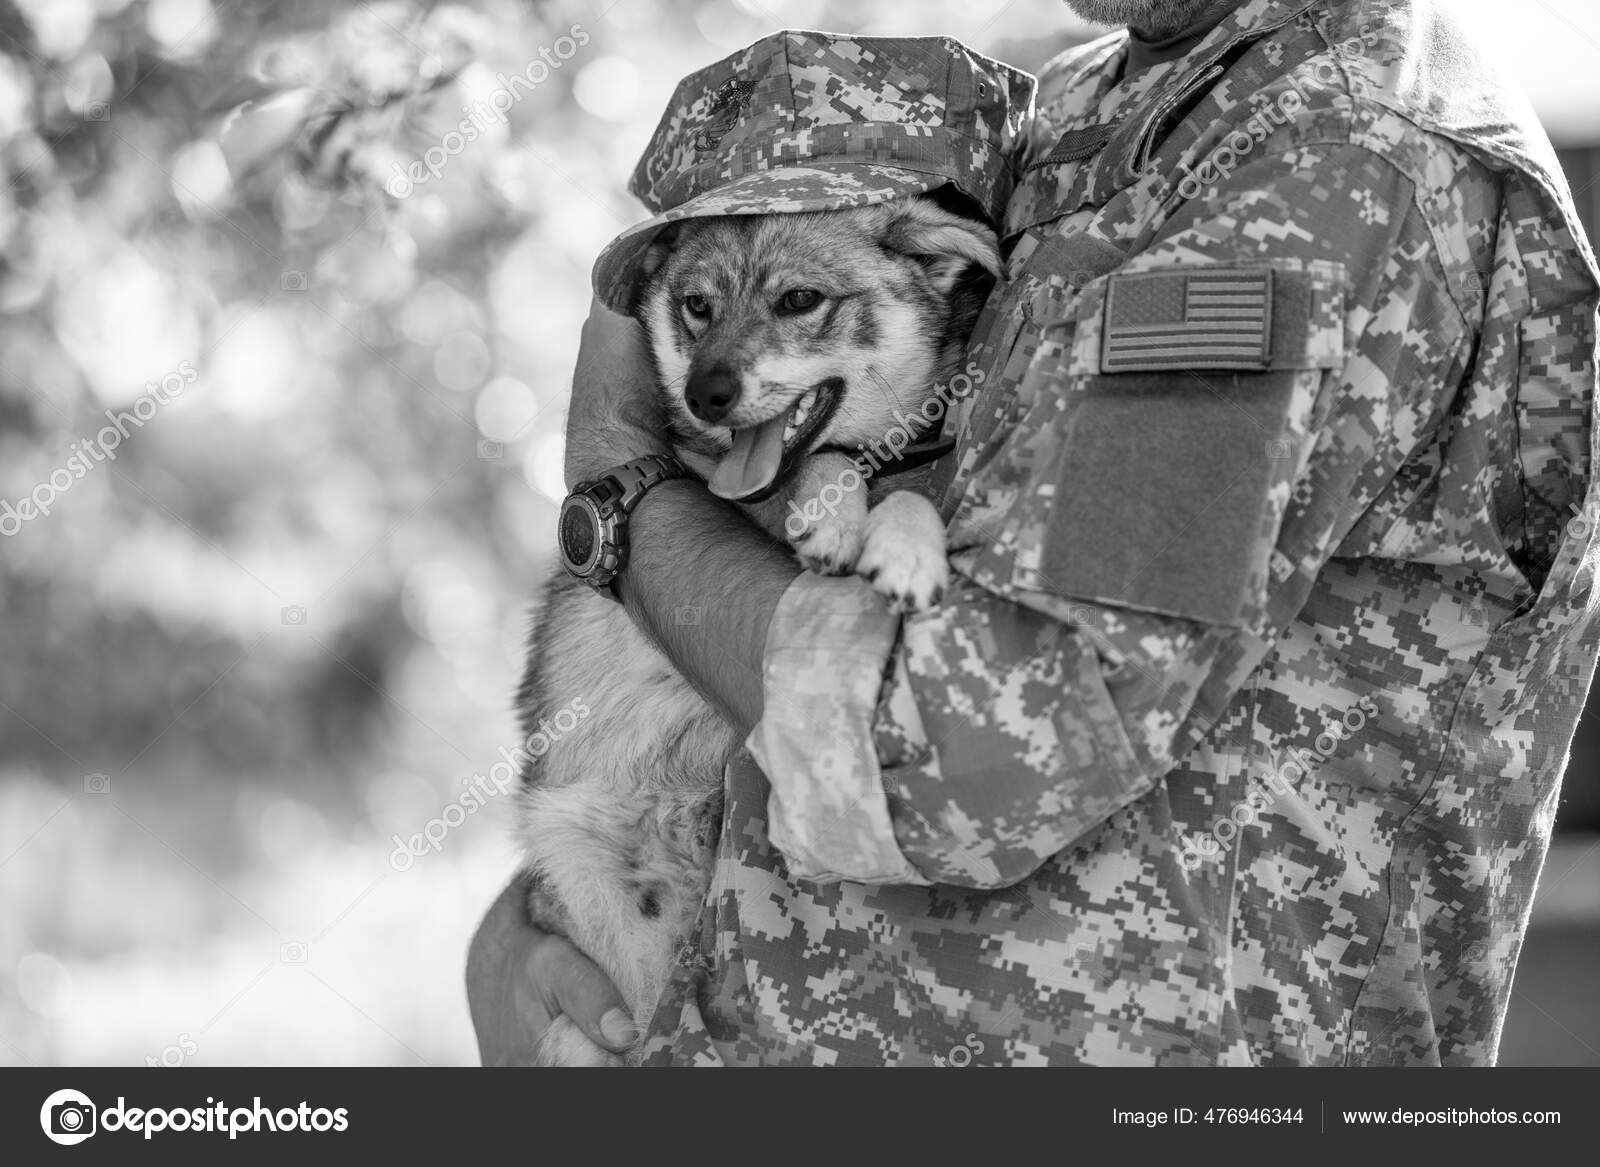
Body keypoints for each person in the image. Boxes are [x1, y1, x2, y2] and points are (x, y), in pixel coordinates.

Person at [468, 0, 1600, 1066]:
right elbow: (777, 676)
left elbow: (965, 751)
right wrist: (538, 925)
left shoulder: (1334, 152)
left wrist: (622, 488)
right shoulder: (1078, 115)